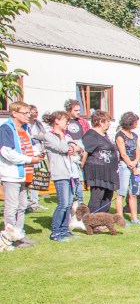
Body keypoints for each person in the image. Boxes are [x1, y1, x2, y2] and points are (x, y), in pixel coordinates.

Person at [0, 101, 45, 248]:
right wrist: (29, 159)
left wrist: (38, 154)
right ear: (14, 113)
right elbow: (7, 152)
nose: (28, 116)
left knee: (22, 206)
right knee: (12, 208)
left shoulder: (25, 129)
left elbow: (29, 146)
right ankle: (9, 238)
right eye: (25, 113)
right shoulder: (6, 129)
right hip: (12, 174)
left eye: (29, 113)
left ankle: (19, 235)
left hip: (25, 174)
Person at [43, 110, 83, 241]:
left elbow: (79, 147)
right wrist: (61, 137)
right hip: (60, 174)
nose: (67, 124)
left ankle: (65, 229)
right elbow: (63, 148)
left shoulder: (67, 135)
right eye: (65, 121)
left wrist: (75, 148)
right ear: (57, 121)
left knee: (69, 204)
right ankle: (55, 232)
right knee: (63, 204)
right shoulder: (49, 136)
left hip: (71, 173)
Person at [81, 110, 119, 214]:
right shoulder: (91, 135)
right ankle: (92, 219)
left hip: (109, 171)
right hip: (98, 172)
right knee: (97, 197)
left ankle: (104, 219)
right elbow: (85, 152)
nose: (109, 124)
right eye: (107, 121)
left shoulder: (105, 135)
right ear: (100, 122)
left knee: (107, 198)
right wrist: (81, 165)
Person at [114, 111, 140, 225]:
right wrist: (133, 168)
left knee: (134, 193)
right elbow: (123, 154)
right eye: (135, 122)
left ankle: (134, 218)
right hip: (124, 166)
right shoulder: (120, 135)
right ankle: (120, 219)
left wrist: (136, 161)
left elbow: (138, 150)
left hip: (135, 165)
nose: (137, 124)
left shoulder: (134, 136)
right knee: (121, 193)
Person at [64, 99, 89, 204]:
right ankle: (70, 199)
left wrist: (83, 153)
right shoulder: (64, 121)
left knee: (79, 178)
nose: (78, 112)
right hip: (69, 152)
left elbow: (87, 137)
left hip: (80, 151)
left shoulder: (82, 122)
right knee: (72, 178)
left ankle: (80, 201)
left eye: (79, 110)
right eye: (75, 110)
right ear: (69, 110)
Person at [27, 104, 48, 211]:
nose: (36, 113)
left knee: (37, 177)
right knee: (28, 177)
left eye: (37, 111)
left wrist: (34, 136)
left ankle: (34, 201)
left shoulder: (38, 124)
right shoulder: (25, 124)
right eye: (34, 111)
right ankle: (26, 202)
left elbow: (44, 136)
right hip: (29, 154)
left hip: (39, 152)